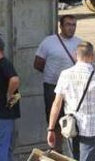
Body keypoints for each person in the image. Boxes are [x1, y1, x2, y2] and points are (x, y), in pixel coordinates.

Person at [34, 14, 82, 151]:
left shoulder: (80, 43)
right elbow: (37, 63)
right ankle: (57, 152)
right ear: (61, 26)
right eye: (68, 24)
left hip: (73, 89)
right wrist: (52, 73)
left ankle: (75, 152)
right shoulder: (48, 42)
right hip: (52, 87)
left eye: (74, 25)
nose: (71, 28)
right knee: (54, 122)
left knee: (74, 121)